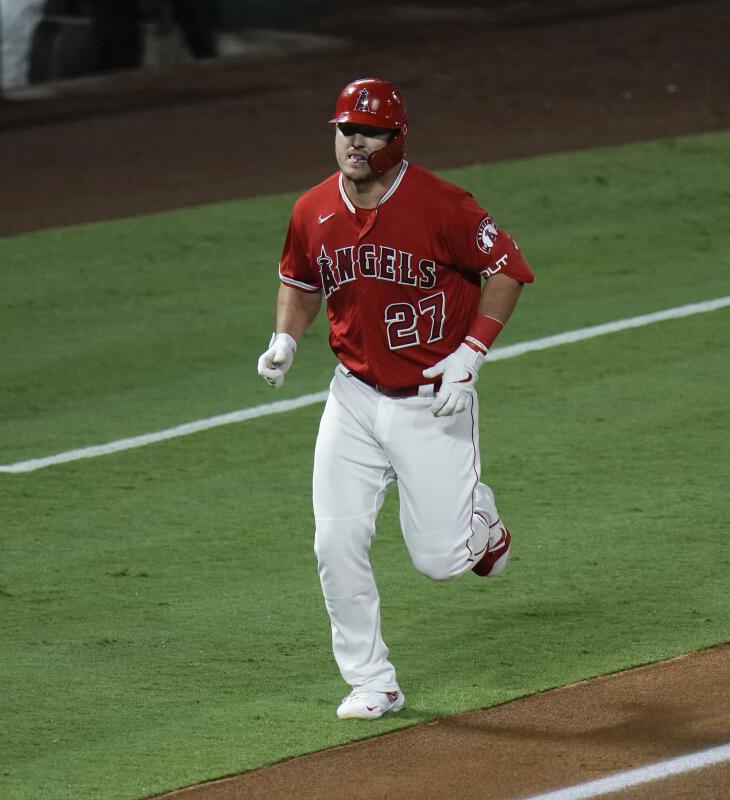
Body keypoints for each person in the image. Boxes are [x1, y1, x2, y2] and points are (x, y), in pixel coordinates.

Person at [256, 78, 535, 720]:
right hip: (351, 396)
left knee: (439, 563)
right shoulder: (312, 209)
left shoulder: (443, 205)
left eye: (370, 130)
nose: (355, 140)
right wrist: (285, 340)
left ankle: (480, 521)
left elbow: (508, 269)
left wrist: (471, 354)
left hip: (430, 401)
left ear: (396, 138)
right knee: (335, 542)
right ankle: (372, 680)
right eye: (346, 128)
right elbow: (300, 281)